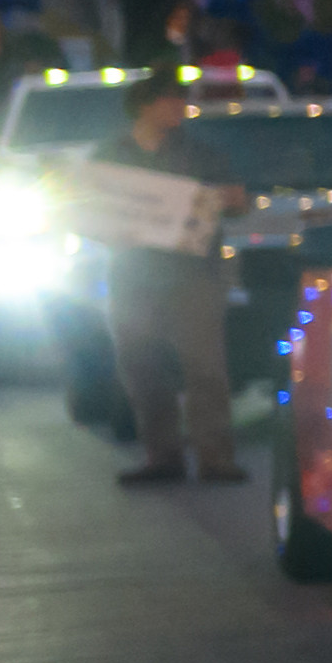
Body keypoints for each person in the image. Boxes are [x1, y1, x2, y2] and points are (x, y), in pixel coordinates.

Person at [94, 78, 241, 488]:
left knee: (205, 367)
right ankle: (162, 455)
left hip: (193, 275)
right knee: (141, 364)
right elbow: (87, 207)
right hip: (132, 275)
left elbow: (237, 198)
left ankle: (216, 457)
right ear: (143, 105)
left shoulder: (200, 153)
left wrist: (227, 198)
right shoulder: (111, 154)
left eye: (182, 100)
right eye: (169, 99)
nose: (179, 108)